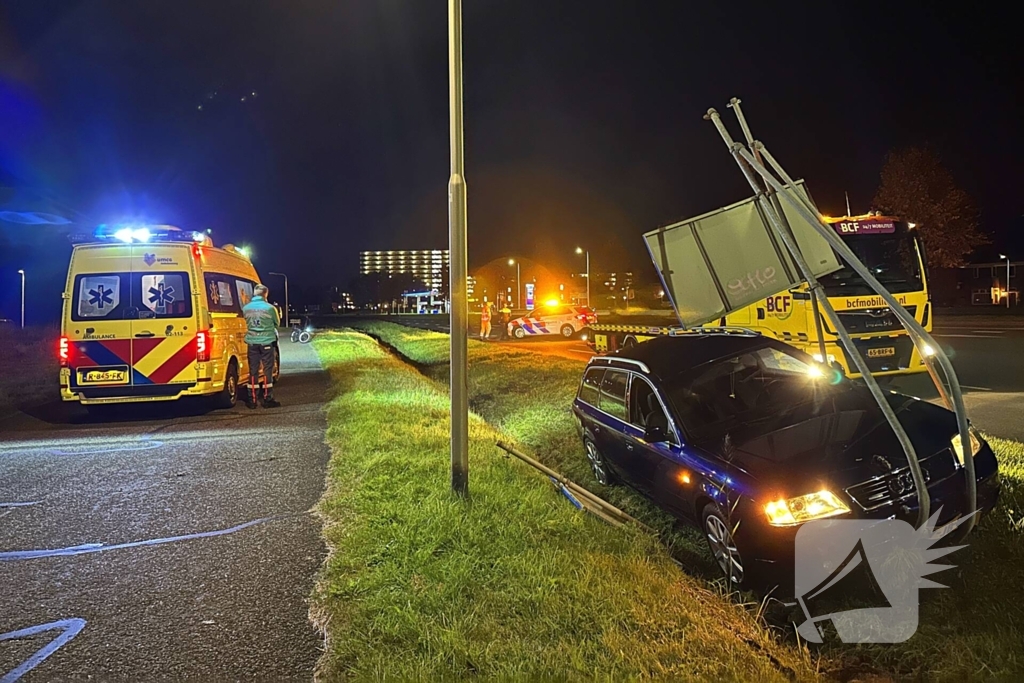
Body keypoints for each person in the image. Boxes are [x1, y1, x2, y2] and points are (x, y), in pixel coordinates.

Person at [243, 284, 281, 408]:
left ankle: (252, 400)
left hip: (252, 343)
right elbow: (277, 323)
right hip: (267, 342)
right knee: (267, 371)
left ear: (254, 294)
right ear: (265, 294)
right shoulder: (270, 308)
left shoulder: (246, 308)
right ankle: (267, 398)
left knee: (253, 371)